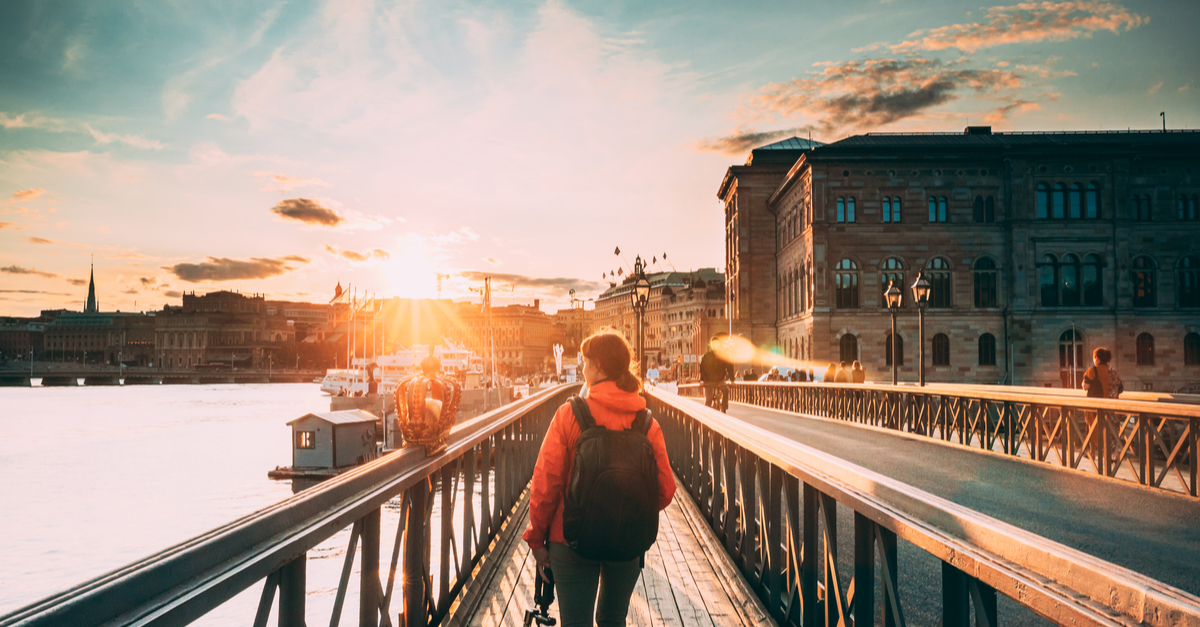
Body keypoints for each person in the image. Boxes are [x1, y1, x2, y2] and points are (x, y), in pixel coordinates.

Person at [523, 331, 675, 627]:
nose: (582, 369)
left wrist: (536, 538)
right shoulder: (646, 422)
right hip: (627, 540)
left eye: (585, 362)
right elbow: (666, 489)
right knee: (613, 620)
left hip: (570, 540)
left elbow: (546, 481)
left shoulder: (571, 414)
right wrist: (627, 510)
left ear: (599, 367)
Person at [700, 334, 735, 411]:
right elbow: (702, 368)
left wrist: (732, 379)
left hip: (720, 379)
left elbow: (729, 367)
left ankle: (724, 406)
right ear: (711, 345)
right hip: (709, 380)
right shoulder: (707, 356)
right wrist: (702, 380)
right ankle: (707, 414)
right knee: (708, 400)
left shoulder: (724, 355)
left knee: (726, 390)